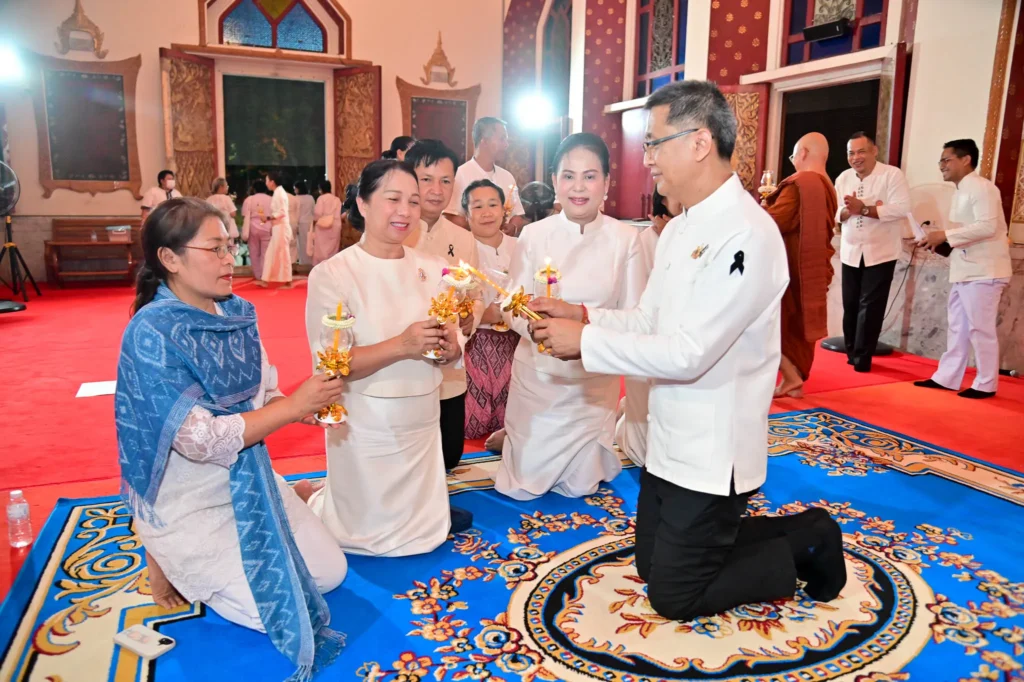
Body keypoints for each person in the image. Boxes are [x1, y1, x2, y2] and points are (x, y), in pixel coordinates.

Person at [530, 80, 847, 623]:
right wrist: (583, 316)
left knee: (675, 596)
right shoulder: (680, 228)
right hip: (669, 432)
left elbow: (690, 353)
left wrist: (584, 343)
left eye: (654, 143)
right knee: (652, 565)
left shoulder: (746, 233)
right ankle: (782, 533)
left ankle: (807, 540)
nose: (647, 158)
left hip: (713, 444)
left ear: (700, 142)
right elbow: (649, 321)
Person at [115, 198, 348, 678]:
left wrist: (303, 408)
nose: (230, 259)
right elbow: (201, 441)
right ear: (170, 258)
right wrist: (291, 408)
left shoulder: (237, 313)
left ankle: (292, 497)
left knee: (330, 574)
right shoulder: (151, 334)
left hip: (251, 480)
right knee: (279, 612)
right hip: (189, 498)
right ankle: (158, 542)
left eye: (231, 246)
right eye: (216, 249)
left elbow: (264, 393)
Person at [304, 159, 466, 557]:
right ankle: (320, 499)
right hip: (365, 422)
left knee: (426, 533)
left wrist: (450, 348)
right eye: (393, 199)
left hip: (422, 415)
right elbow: (331, 363)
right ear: (363, 203)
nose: (405, 211)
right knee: (366, 536)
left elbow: (452, 341)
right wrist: (402, 345)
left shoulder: (434, 268)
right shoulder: (334, 274)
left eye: (413, 201)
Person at [494, 132, 645, 501]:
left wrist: (582, 328)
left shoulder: (627, 239)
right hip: (539, 377)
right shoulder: (533, 235)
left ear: (606, 182)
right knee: (523, 487)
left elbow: (636, 316)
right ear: (554, 181)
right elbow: (509, 304)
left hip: (592, 381)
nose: (578, 187)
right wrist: (535, 327)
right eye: (568, 176)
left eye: (590, 176)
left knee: (581, 485)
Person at [402, 140, 483, 472]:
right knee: (408, 454)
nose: (436, 190)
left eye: (446, 181)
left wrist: (470, 319)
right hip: (405, 364)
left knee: (449, 453)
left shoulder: (463, 238)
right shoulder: (396, 233)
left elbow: (475, 295)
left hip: (449, 366)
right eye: (426, 179)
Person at [915, 139, 1013, 399]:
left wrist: (944, 235)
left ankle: (986, 384)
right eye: (941, 161)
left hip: (985, 270)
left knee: (981, 329)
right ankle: (947, 377)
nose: (941, 166)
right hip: (966, 269)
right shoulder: (961, 190)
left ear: (966, 159)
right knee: (958, 326)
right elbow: (967, 232)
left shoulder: (982, 188)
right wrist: (940, 241)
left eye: (946, 160)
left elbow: (987, 227)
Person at [763, 133, 838, 398]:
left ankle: (792, 377)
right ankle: (792, 378)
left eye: (793, 155)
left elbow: (773, 222)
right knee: (792, 327)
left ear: (803, 153)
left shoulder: (802, 183)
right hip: (810, 268)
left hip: (791, 269)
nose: (793, 160)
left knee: (771, 325)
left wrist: (758, 210)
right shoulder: (827, 185)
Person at [614, 188, 682, 467]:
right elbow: (637, 305)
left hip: (683, 340)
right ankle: (626, 418)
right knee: (645, 453)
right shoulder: (643, 242)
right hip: (649, 338)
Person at [834, 132, 911, 372]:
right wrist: (847, 211)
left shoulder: (891, 175)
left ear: (874, 151)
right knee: (850, 305)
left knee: (871, 306)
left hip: (881, 251)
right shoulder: (843, 177)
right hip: (850, 251)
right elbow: (836, 212)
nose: (855, 157)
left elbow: (902, 209)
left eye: (861, 151)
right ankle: (851, 352)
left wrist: (864, 209)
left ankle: (863, 358)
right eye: (851, 153)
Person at [462, 179, 519, 440]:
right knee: (472, 426)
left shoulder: (520, 246)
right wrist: (487, 314)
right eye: (478, 206)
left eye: (493, 204)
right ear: (466, 214)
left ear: (503, 210)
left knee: (515, 417)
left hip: (517, 339)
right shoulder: (461, 250)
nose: (486, 213)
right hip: (475, 342)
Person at [445, 117, 525, 234]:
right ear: (485, 141)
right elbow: (450, 216)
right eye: (502, 139)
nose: (506, 145)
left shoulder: (507, 176)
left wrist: (513, 226)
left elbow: (518, 214)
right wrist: (484, 227)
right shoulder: (460, 175)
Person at [262, 171, 294, 287]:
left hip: (281, 228)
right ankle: (266, 279)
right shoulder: (278, 192)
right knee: (272, 253)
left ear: (272, 182)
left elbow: (282, 212)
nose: (266, 183)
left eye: (267, 180)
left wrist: (268, 218)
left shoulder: (280, 193)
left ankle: (287, 280)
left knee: (283, 254)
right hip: (278, 228)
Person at [242, 181, 273, 284]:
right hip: (266, 226)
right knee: (266, 253)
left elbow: (244, 214)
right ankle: (265, 274)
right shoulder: (270, 199)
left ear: (254, 189)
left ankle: (257, 274)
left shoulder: (249, 199)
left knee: (254, 252)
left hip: (253, 227)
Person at [311, 178, 344, 266]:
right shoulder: (337, 199)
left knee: (321, 248)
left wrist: (314, 221)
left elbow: (318, 213)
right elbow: (340, 213)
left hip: (323, 227)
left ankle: (321, 267)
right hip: (335, 226)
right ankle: (331, 267)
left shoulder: (321, 198)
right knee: (333, 248)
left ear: (321, 189)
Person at [295, 180, 316, 267]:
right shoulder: (310, 198)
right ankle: (311, 262)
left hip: (300, 223)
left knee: (301, 244)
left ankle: (303, 263)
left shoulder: (296, 198)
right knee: (310, 243)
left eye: (295, 189)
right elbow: (314, 211)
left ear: (298, 189)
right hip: (310, 223)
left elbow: (296, 213)